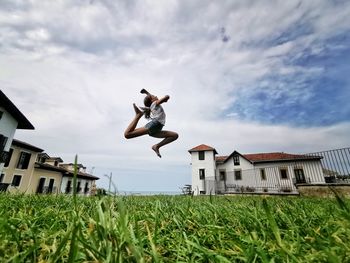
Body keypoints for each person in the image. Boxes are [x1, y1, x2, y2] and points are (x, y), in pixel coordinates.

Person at [124, 89, 178, 158]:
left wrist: (146, 92)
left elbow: (151, 97)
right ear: (152, 100)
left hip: (156, 129)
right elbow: (166, 97)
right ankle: (138, 115)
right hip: (154, 125)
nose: (155, 96)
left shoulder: (153, 105)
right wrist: (166, 97)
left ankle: (157, 146)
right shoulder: (154, 104)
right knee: (127, 134)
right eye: (154, 96)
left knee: (175, 136)